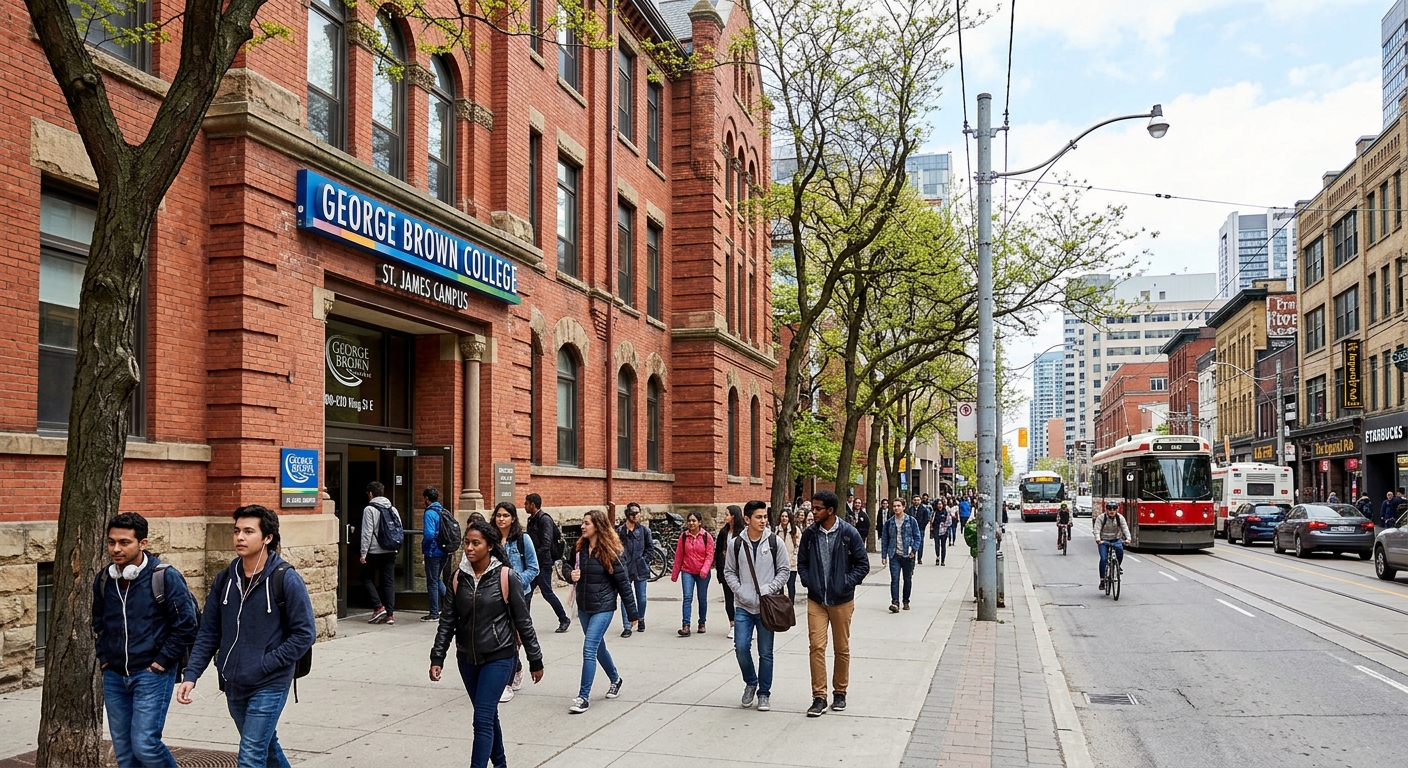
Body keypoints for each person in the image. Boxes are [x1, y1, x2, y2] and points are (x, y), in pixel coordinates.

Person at [178, 505, 316, 768]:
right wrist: (192, 674)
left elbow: (304, 634)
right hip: (233, 681)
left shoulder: (286, 579)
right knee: (267, 746)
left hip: (270, 682)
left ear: (267, 537)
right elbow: (208, 631)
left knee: (250, 755)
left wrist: (266, 663)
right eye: (237, 531)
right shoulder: (224, 580)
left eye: (248, 531)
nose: (240, 537)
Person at [429, 518, 544, 768]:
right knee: (488, 716)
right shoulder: (458, 578)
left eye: (476, 543)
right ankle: (500, 764)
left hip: (499, 657)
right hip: (467, 659)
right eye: (467, 543)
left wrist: (535, 659)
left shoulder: (506, 576)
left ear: (490, 545)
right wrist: (437, 657)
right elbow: (447, 620)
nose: (469, 548)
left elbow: (523, 621)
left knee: (481, 719)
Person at [93, 512, 199, 768]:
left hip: (151, 674)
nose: (116, 549)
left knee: (146, 745)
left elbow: (187, 625)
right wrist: (105, 659)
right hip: (115, 675)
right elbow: (98, 622)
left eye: (124, 542)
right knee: (126, 754)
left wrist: (161, 663)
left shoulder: (164, 577)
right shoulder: (106, 579)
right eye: (111, 542)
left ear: (143, 543)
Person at [796, 490, 869, 717]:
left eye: (818, 508)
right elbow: (802, 563)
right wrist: (810, 582)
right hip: (817, 600)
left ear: (830, 510)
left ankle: (840, 692)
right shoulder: (810, 535)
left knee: (841, 648)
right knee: (816, 646)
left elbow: (862, 564)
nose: (813, 512)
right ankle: (819, 696)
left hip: (841, 600)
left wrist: (845, 583)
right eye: (813, 508)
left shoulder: (849, 533)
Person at [567, 509, 639, 713]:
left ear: (597, 526)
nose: (582, 526)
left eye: (587, 523)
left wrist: (633, 614)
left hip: (603, 607)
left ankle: (583, 697)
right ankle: (616, 679)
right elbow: (566, 565)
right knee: (598, 648)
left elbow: (623, 583)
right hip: (584, 607)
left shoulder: (610, 551)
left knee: (589, 648)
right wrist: (569, 574)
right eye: (582, 522)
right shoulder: (580, 548)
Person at [725, 500, 790, 713]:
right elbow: (729, 572)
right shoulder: (736, 543)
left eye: (765, 517)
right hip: (743, 605)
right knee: (741, 647)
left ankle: (764, 693)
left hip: (766, 606)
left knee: (766, 652)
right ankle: (751, 681)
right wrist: (740, 591)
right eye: (758, 517)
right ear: (747, 519)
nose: (763, 521)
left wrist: (769, 588)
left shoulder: (774, 542)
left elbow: (784, 570)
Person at [493, 501, 538, 703]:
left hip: (520, 595)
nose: (501, 519)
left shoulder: (523, 539)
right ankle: (517, 666)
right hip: (495, 595)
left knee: (515, 635)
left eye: (505, 515)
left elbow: (533, 568)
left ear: (513, 518)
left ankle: (506, 682)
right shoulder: (490, 540)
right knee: (502, 636)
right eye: (498, 515)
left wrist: (516, 582)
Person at [525, 493, 571, 633]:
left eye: (526, 503)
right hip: (533, 564)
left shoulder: (544, 520)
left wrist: (532, 557)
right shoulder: (531, 520)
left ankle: (564, 619)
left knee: (547, 593)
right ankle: (524, 623)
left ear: (533, 504)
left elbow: (546, 543)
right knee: (526, 593)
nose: (525, 506)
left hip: (543, 563)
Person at [360, 481, 402, 625]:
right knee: (388, 581)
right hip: (390, 550)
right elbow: (399, 529)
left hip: (375, 550)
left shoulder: (369, 509)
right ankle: (390, 615)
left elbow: (367, 532)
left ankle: (378, 607)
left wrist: (363, 553)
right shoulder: (393, 509)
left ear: (371, 494)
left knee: (365, 578)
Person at [670, 511, 714, 636]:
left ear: (700, 522)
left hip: (702, 573)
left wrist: (705, 569)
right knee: (687, 598)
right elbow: (679, 556)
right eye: (689, 521)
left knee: (702, 598)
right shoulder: (684, 537)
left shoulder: (706, 537)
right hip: (687, 571)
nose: (691, 523)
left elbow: (710, 555)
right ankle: (686, 625)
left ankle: (702, 623)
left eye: (694, 521)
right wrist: (675, 573)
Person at [616, 502, 653, 637]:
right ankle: (627, 626)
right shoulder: (620, 531)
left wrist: (644, 560)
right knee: (626, 597)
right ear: (627, 514)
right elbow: (615, 549)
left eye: (638, 512)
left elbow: (650, 549)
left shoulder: (644, 531)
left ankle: (640, 618)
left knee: (641, 598)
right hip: (625, 568)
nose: (636, 515)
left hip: (640, 568)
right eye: (633, 513)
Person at [881, 499, 920, 612]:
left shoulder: (911, 521)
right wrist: (884, 555)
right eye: (894, 506)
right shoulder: (889, 523)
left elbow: (917, 537)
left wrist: (914, 549)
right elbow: (885, 539)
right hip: (894, 554)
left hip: (908, 555)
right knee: (894, 579)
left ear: (904, 507)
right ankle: (895, 603)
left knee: (907, 579)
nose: (896, 508)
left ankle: (906, 601)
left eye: (898, 506)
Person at [714, 505, 745, 640]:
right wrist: (720, 571)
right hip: (727, 571)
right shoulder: (723, 533)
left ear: (733, 516)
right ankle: (732, 625)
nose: (724, 517)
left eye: (727, 514)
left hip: (742, 573)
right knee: (729, 600)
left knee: (742, 600)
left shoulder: (743, 533)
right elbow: (718, 552)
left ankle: (743, 626)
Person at [421, 487, 449, 622]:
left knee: (432, 582)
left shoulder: (429, 513)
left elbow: (429, 534)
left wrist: (425, 548)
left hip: (433, 552)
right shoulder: (443, 511)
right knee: (436, 579)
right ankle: (452, 603)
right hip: (444, 551)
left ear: (427, 498)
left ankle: (434, 612)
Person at [1093, 504, 1131, 590]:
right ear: (1106, 509)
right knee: (1103, 559)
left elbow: (1125, 529)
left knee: (1120, 549)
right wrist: (1098, 540)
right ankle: (1102, 580)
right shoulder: (1101, 518)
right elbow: (1096, 530)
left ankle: (1117, 565)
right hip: (1104, 540)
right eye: (1110, 509)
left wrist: (1128, 539)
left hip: (1116, 539)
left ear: (1117, 510)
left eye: (1114, 509)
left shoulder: (1120, 518)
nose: (1112, 511)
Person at [775, 507, 802, 603]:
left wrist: (794, 557)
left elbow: (798, 546)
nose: (784, 518)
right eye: (782, 516)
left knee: (791, 586)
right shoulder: (777, 530)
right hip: (779, 564)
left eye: (786, 516)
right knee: (780, 587)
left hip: (792, 564)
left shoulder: (795, 530)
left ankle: (791, 604)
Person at [909, 495, 930, 565]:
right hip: (911, 529)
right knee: (912, 543)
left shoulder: (924, 509)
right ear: (912, 501)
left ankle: (919, 558)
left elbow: (926, 519)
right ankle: (912, 556)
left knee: (920, 543)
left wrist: (922, 525)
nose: (916, 501)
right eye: (915, 500)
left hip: (920, 529)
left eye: (918, 500)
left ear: (920, 501)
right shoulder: (910, 509)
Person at [930, 499, 950, 566]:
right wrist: (931, 528)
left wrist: (944, 525)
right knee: (937, 544)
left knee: (943, 545)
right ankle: (938, 556)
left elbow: (949, 521)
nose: (940, 505)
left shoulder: (946, 512)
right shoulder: (934, 512)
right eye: (938, 504)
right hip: (936, 530)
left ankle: (943, 560)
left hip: (944, 531)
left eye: (941, 504)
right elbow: (931, 520)